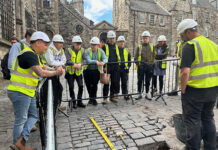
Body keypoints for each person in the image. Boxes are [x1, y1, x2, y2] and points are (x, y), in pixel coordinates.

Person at [7, 31, 64, 150]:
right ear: (38, 43)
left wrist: (54, 68)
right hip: (20, 91)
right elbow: (41, 72)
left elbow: (43, 66)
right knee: (21, 119)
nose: (47, 47)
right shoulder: (28, 54)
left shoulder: (34, 54)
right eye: (45, 44)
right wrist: (56, 72)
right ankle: (18, 144)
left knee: (33, 116)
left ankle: (21, 140)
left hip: (28, 91)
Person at [178, 19, 218, 150]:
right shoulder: (213, 44)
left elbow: (185, 72)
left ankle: (192, 148)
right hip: (212, 90)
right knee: (208, 119)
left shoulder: (190, 46)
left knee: (193, 121)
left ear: (188, 32)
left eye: (182, 35)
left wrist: (183, 90)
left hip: (195, 91)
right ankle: (210, 147)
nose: (182, 39)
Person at [42, 34, 66, 114]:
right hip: (47, 73)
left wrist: (59, 65)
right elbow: (50, 62)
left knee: (59, 89)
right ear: (54, 42)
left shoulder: (61, 50)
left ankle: (57, 105)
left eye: (62, 43)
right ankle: (46, 110)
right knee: (48, 92)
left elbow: (64, 60)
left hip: (54, 72)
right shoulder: (49, 49)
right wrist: (59, 64)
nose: (61, 44)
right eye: (59, 43)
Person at [84, 37, 108, 105]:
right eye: (92, 44)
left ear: (98, 45)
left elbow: (105, 58)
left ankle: (93, 99)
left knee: (94, 85)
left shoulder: (101, 51)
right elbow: (88, 60)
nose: (93, 46)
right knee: (88, 85)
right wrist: (96, 61)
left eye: (94, 45)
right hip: (87, 71)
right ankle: (90, 98)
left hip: (95, 71)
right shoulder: (87, 51)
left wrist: (103, 62)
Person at [65, 35, 86, 109]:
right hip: (70, 72)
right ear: (73, 43)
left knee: (81, 86)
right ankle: (73, 101)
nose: (78, 45)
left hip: (78, 72)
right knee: (71, 87)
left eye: (80, 44)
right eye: (77, 44)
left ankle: (79, 101)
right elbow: (67, 60)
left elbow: (85, 60)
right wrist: (73, 64)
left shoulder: (83, 50)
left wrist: (80, 64)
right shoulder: (68, 50)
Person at [134, 31, 154, 100]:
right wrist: (138, 64)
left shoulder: (151, 47)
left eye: (146, 38)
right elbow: (135, 57)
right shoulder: (139, 47)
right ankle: (139, 93)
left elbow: (154, 57)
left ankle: (147, 93)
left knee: (148, 80)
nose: (145, 39)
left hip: (149, 66)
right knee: (139, 80)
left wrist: (151, 65)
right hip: (141, 66)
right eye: (144, 38)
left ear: (149, 38)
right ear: (142, 38)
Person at [102, 30, 120, 103]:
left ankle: (112, 97)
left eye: (113, 38)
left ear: (115, 38)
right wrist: (104, 67)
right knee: (106, 83)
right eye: (110, 38)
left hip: (115, 67)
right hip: (107, 67)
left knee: (114, 82)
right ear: (108, 39)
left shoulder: (116, 47)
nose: (112, 40)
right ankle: (105, 98)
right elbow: (102, 58)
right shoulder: (104, 47)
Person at [117, 36, 131, 100]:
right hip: (117, 69)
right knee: (116, 82)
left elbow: (129, 60)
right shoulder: (115, 50)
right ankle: (116, 94)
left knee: (124, 82)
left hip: (124, 69)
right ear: (118, 42)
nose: (121, 43)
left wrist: (128, 67)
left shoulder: (126, 50)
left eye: (122, 42)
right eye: (120, 42)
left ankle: (125, 93)